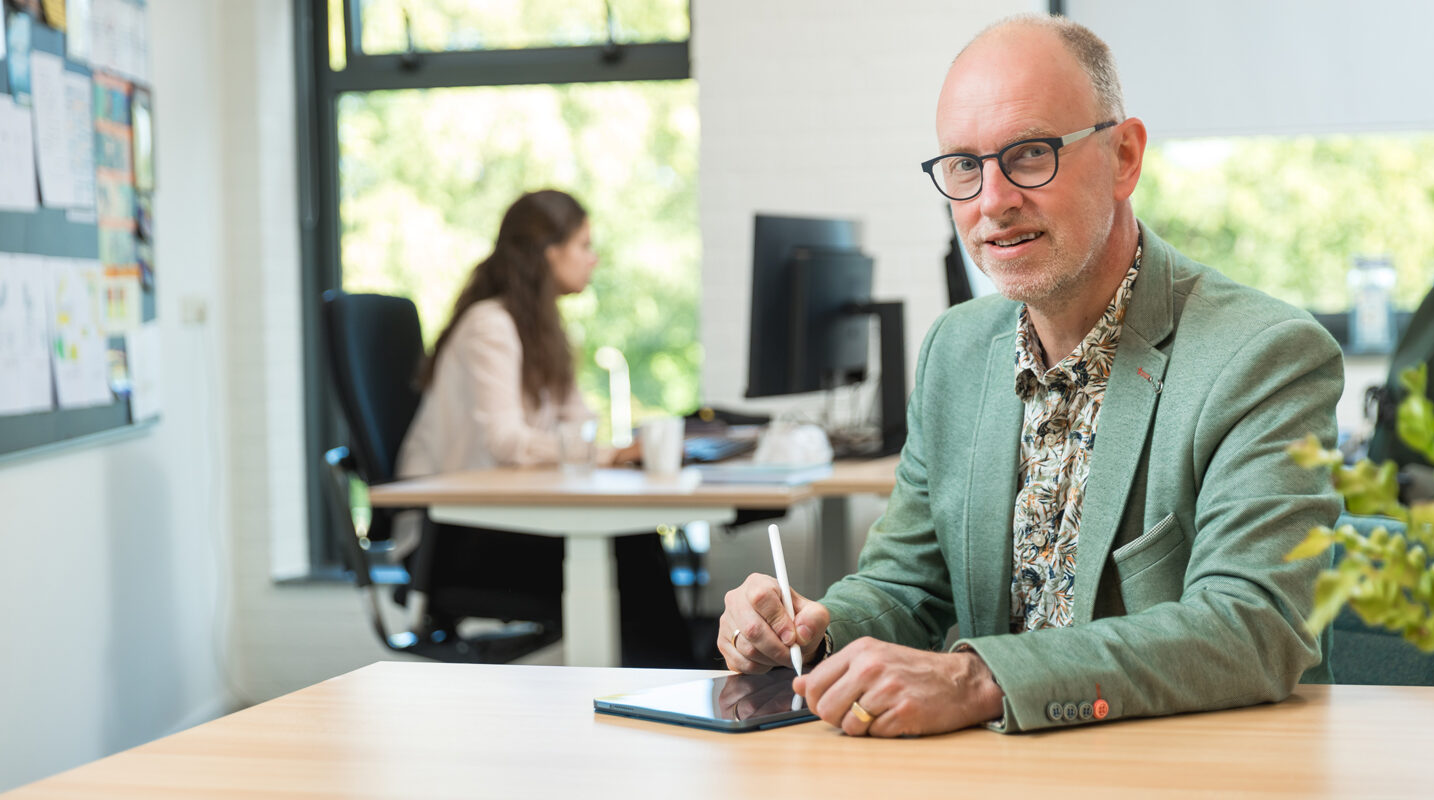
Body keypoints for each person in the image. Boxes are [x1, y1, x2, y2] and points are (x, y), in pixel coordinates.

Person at [718, 15, 1343, 735]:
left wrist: (979, 680)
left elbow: (1254, 626)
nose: (992, 201)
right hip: (998, 768)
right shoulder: (955, 351)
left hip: (1190, 767)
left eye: (1030, 154)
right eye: (964, 166)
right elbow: (906, 583)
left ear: (1124, 158)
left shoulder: (1265, 355)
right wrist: (816, 629)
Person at [396, 189, 694, 667]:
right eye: (584, 245)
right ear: (549, 252)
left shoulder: (542, 327)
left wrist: (613, 449)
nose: (593, 259)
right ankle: (669, 685)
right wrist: (607, 454)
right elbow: (507, 441)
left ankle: (668, 682)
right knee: (632, 550)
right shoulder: (490, 325)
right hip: (452, 540)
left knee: (635, 539)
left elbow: (577, 423)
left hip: (498, 520)